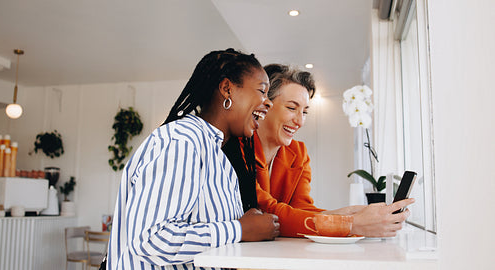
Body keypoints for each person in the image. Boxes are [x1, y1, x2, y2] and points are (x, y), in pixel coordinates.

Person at [107, 49, 280, 270]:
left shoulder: (217, 155)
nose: (269, 103)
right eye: (262, 91)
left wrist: (245, 223)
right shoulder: (181, 141)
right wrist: (239, 229)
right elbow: (150, 240)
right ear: (227, 89)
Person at [224, 63, 414, 238]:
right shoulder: (237, 149)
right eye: (292, 108)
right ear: (265, 105)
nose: (300, 121)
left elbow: (302, 209)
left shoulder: (298, 153)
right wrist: (350, 224)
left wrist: (353, 214)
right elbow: (268, 211)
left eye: (305, 112)